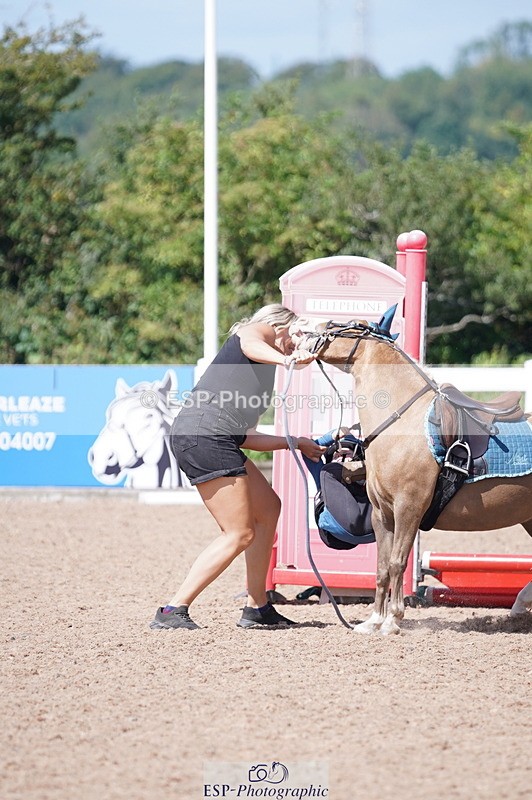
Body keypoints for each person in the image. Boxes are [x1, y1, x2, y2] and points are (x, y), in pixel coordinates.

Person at [150, 304, 325, 631]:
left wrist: (296, 442)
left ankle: (257, 607)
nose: (297, 343)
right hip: (204, 435)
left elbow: (245, 435)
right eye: (296, 334)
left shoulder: (262, 369)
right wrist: (286, 358)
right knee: (240, 532)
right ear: (280, 325)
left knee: (269, 507)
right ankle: (172, 610)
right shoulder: (256, 334)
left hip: (216, 436)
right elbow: (249, 341)